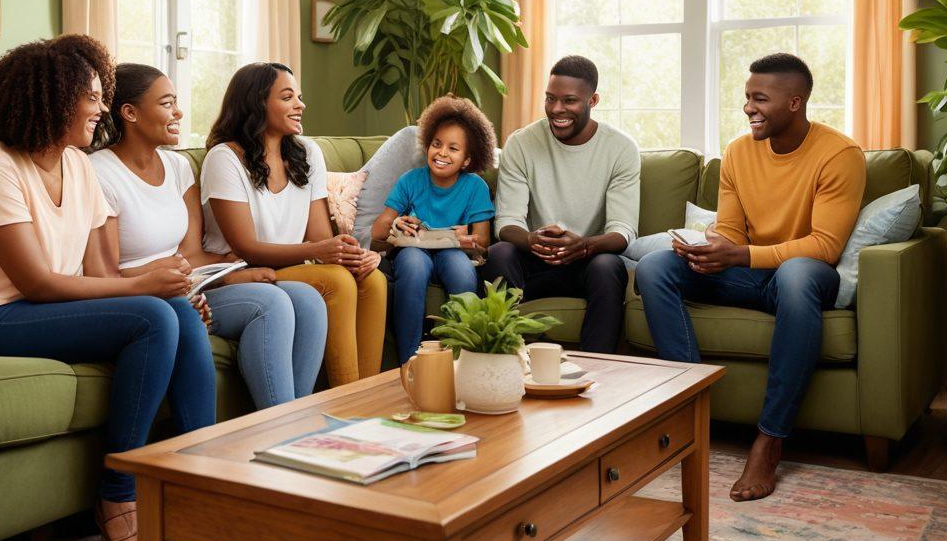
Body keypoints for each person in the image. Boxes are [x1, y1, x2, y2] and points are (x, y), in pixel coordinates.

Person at [0, 36, 213, 541]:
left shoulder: (78, 165)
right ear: (53, 99)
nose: (102, 109)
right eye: (92, 97)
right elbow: (36, 283)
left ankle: (202, 478)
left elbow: (97, 272)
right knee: (152, 313)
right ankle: (118, 495)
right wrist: (142, 287)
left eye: (104, 96)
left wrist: (167, 290)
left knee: (172, 311)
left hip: (43, 311)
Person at [635, 53, 866, 502]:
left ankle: (770, 440)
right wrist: (710, 248)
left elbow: (824, 246)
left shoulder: (840, 154)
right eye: (746, 97)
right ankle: (689, 407)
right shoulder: (739, 153)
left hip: (803, 277)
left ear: (795, 102)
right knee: (656, 265)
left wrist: (740, 253)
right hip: (750, 274)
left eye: (760, 98)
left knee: (797, 275)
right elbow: (733, 232)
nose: (748, 108)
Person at [90, 63, 327, 411]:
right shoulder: (98, 171)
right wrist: (166, 275)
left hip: (190, 288)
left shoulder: (178, 167)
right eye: (167, 103)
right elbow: (103, 276)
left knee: (307, 300)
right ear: (130, 113)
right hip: (144, 296)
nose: (179, 112)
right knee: (270, 302)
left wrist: (229, 268)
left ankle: (295, 422)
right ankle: (279, 426)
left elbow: (193, 256)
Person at [201, 63, 387, 387]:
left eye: (298, 97)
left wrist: (356, 256)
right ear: (257, 103)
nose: (300, 105)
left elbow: (319, 237)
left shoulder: (307, 153)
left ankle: (365, 398)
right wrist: (321, 250)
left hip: (292, 267)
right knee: (339, 283)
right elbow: (246, 247)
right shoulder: (224, 158)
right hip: (244, 272)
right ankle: (347, 399)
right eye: (288, 97)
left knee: (372, 279)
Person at [483, 55, 639, 352]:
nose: (557, 110)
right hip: (533, 258)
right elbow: (507, 221)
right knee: (500, 254)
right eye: (550, 99)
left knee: (608, 266)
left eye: (569, 101)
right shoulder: (521, 143)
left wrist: (583, 246)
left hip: (586, 261)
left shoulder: (620, 148)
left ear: (593, 101)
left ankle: (598, 370)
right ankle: (510, 359)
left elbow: (623, 230)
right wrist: (531, 239)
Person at [371, 96, 496, 364]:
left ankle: (460, 360)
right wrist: (395, 223)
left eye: (453, 148)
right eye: (437, 144)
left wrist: (467, 240)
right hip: (414, 250)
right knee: (414, 266)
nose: (441, 153)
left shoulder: (475, 187)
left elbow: (483, 241)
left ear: (466, 159)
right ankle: (409, 363)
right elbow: (377, 231)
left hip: (454, 252)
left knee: (461, 272)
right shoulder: (411, 180)